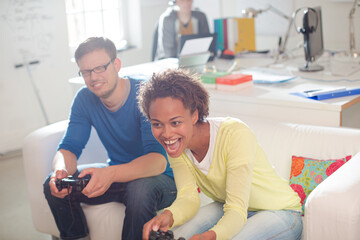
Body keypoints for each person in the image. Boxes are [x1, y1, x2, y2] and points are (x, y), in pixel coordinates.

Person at [138, 69, 303, 240]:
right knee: (181, 234)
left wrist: (211, 236)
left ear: (194, 115)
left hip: (279, 211)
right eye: (157, 124)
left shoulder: (234, 134)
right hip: (230, 207)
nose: (166, 134)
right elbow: (188, 197)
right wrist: (168, 215)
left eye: (175, 122)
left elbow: (236, 209)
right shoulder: (176, 144)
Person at [43, 37, 177, 240]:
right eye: (86, 72)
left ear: (116, 64)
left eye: (100, 68)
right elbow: (69, 147)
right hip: (119, 177)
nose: (93, 77)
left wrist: (109, 174)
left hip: (162, 181)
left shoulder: (146, 95)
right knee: (54, 184)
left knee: (139, 188)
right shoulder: (84, 99)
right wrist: (60, 171)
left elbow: (157, 162)